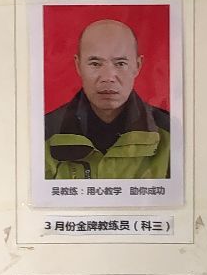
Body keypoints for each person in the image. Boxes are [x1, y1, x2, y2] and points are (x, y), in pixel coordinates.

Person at [44, 18, 170, 179]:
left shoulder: (170, 134)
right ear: (78, 65)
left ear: (137, 66)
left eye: (120, 63)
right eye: (95, 64)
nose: (108, 77)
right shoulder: (45, 133)